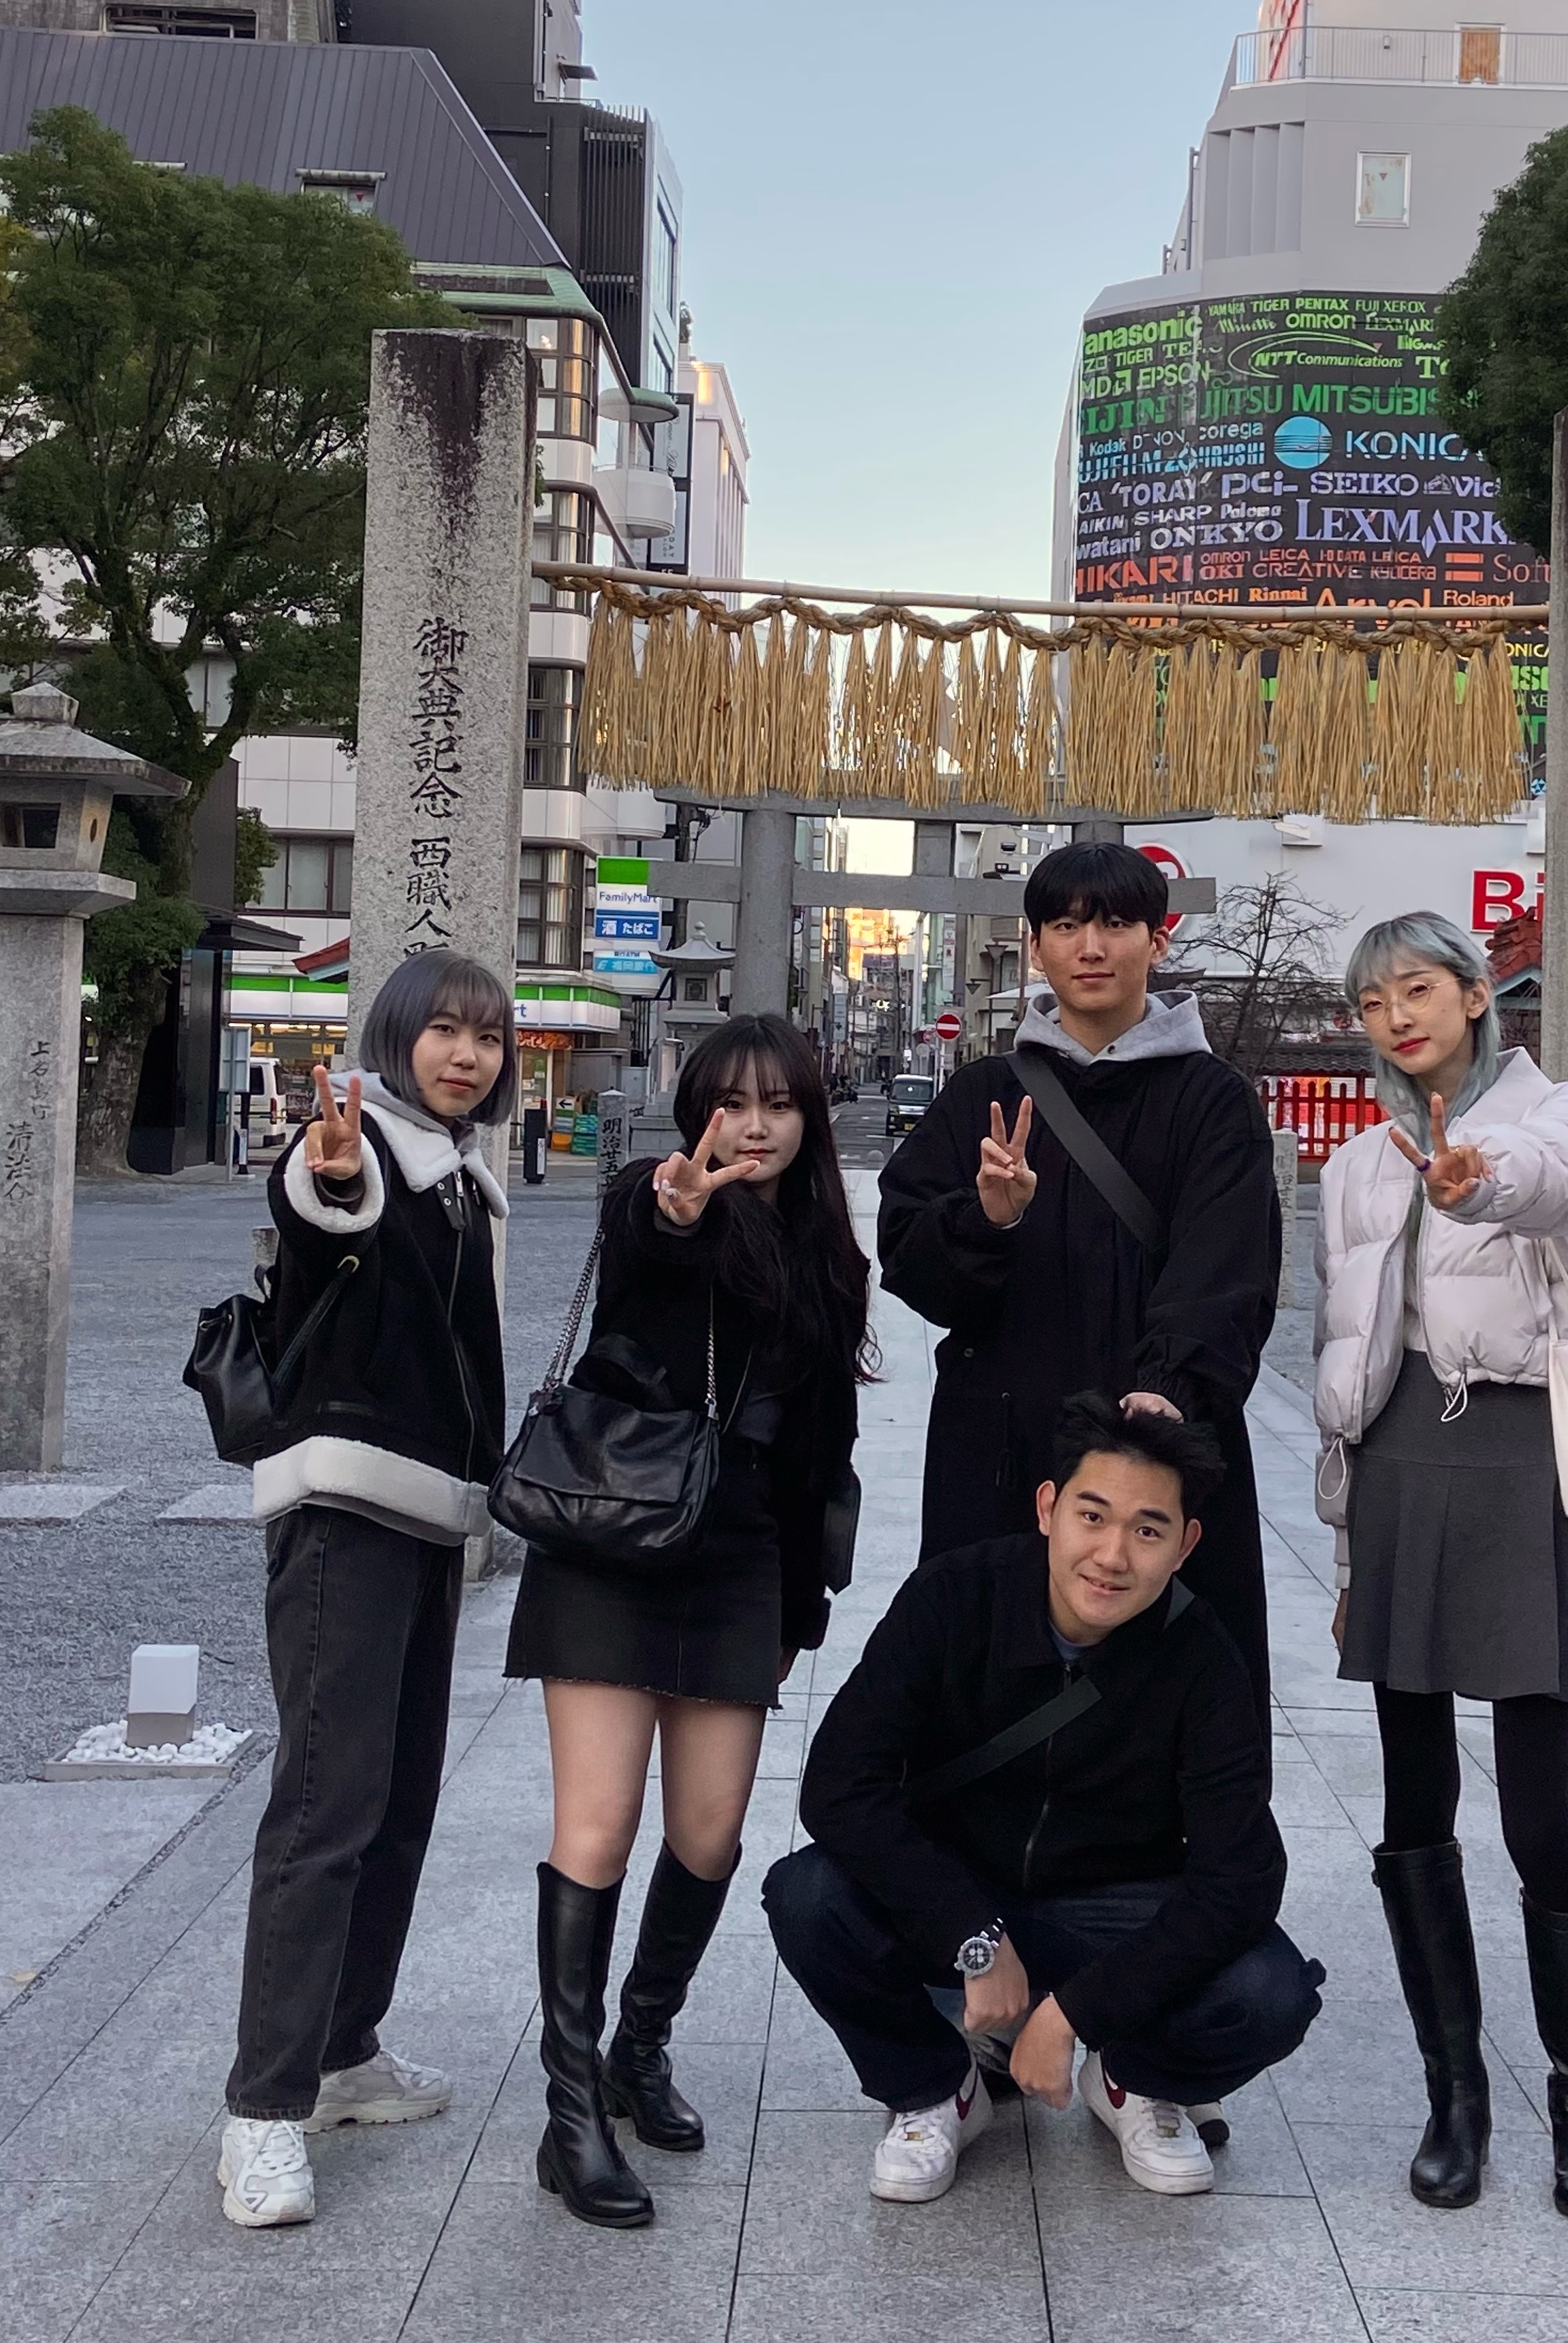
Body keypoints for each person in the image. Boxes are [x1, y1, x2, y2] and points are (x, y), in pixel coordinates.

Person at [763, 1395, 1323, 2206]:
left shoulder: (1202, 1657)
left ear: (1185, 1545)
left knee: (1271, 1993)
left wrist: (1075, 2014)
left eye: (1148, 1531)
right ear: (1047, 1508)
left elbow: (1240, 1878)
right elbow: (839, 1785)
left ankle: (1132, 2079)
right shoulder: (955, 1597)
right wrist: (971, 1932)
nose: (1112, 1555)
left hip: (1110, 1906)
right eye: (1092, 1516)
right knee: (806, 1895)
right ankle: (934, 2088)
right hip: (963, 1883)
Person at [506, 1016, 870, 2228]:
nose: (754, 1127)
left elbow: (824, 1449)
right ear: (695, 1111)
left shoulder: (830, 1255)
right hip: (615, 1541)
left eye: (780, 1104)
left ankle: (638, 2046)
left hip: (740, 1560)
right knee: (598, 1825)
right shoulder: (651, 1198)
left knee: (709, 1834)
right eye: (732, 1103)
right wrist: (678, 1210)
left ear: (810, 1116)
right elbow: (651, 1236)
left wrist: (802, 1603)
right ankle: (570, 2116)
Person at [1315, 911, 1568, 2222]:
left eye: (1418, 988)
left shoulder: (1558, 1113)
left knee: (1536, 1814)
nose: (1396, 1017)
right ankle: (1455, 2097)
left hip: (1514, 1459)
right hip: (1397, 1464)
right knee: (1412, 1803)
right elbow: (1346, 1351)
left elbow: (1558, 1186)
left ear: (1475, 992)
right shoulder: (1352, 1164)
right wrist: (1343, 1522)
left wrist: (1474, 1180)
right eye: (1372, 1000)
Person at [218, 950, 515, 2230]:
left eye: (485, 1036)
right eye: (441, 1030)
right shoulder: (368, 1149)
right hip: (344, 1515)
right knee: (324, 1807)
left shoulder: (458, 1174)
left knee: (395, 1803)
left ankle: (343, 2052)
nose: (465, 1053)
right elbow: (321, 1207)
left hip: (423, 1519)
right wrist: (330, 1175)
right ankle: (261, 2111)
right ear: (395, 1038)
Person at [876, 840, 1280, 1697]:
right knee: (985, 1697)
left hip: (1152, 1455)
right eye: (1064, 926)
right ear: (1035, 947)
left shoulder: (1214, 1103)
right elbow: (909, 1255)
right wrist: (987, 1219)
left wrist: (1166, 1399)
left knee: (1163, 1708)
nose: (1090, 948)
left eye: (1115, 924)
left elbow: (1227, 1274)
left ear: (1158, 941)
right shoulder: (982, 1094)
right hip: (1000, 1456)